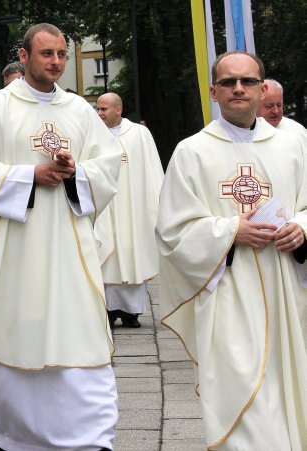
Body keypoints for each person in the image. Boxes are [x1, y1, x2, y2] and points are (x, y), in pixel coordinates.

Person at [0, 23, 123, 451]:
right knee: (15, 333)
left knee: (81, 337)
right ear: (24, 55)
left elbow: (109, 164)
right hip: (14, 248)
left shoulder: (79, 110)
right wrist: (28, 175)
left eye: (61, 55)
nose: (55, 62)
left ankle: (88, 435)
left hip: (70, 248)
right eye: (46, 53)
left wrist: (78, 172)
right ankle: (10, 433)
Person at [156, 51, 306, 450]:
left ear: (262, 87)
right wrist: (228, 231)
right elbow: (172, 232)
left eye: (247, 81)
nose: (238, 89)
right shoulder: (192, 152)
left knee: (290, 393)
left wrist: (302, 228)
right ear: (213, 92)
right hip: (227, 297)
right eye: (228, 83)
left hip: (286, 293)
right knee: (243, 400)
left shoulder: (291, 146)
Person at [94, 93, 164, 328]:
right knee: (108, 254)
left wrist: (158, 200)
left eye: (104, 109)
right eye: (98, 109)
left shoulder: (138, 134)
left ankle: (131, 312)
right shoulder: (93, 133)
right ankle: (109, 310)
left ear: (118, 110)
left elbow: (152, 166)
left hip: (134, 203)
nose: (100, 113)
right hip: (107, 205)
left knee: (134, 252)